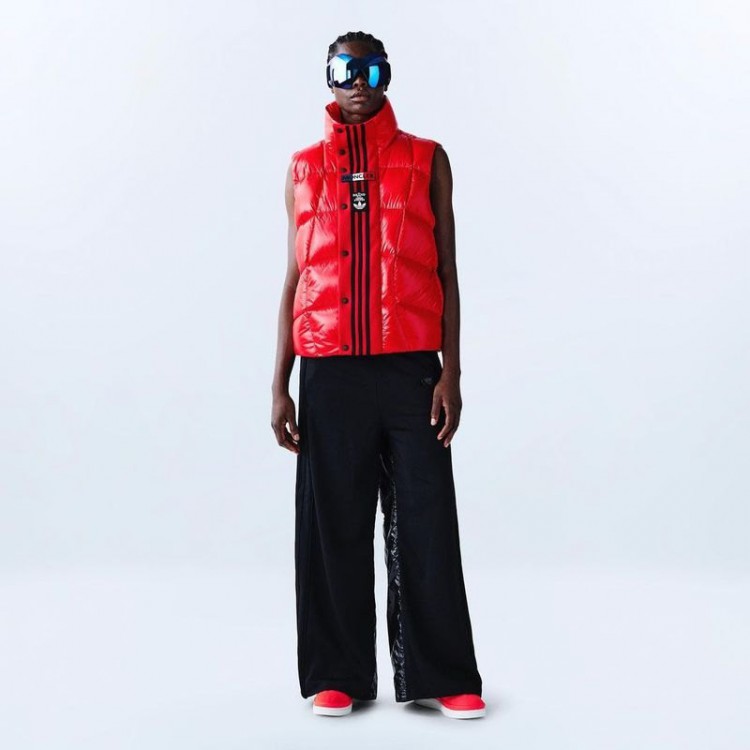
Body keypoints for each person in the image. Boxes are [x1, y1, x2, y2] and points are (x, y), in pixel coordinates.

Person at [271, 30, 486, 720]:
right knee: (331, 521)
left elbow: (448, 270)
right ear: (327, 78)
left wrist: (452, 373)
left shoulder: (427, 158)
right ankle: (336, 673)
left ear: (386, 76)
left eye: (369, 69)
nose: (356, 83)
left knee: (425, 517)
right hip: (327, 370)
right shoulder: (303, 168)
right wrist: (279, 383)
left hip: (410, 368)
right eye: (344, 69)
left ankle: (442, 673)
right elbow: (297, 277)